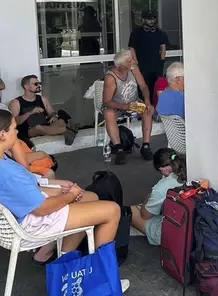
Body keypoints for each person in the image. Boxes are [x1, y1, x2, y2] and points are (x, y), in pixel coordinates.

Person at [0, 110, 129, 291]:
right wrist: (67, 195)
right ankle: (103, 280)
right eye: (13, 129)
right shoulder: (6, 171)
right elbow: (41, 208)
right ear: (2, 134)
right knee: (112, 210)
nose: (17, 132)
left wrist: (58, 186)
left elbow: (28, 183)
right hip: (33, 222)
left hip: (25, 213)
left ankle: (66, 265)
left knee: (89, 197)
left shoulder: (3, 160)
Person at [103, 50, 155, 165]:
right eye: (129, 60)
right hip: (117, 105)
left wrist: (147, 101)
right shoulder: (111, 77)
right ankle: (118, 149)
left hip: (134, 103)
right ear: (121, 66)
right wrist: (125, 106)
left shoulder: (133, 68)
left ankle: (146, 146)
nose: (133, 62)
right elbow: (106, 101)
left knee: (147, 110)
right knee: (108, 113)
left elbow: (143, 86)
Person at [130, 148, 185, 246]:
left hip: (171, 234)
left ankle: (150, 232)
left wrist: (149, 195)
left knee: (132, 211)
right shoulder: (187, 170)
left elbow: (145, 215)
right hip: (188, 227)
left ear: (162, 169)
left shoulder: (160, 188)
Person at [8, 75, 77, 145]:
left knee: (59, 120)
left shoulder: (43, 99)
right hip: (28, 129)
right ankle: (67, 129)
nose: (38, 85)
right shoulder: (16, 102)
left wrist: (54, 116)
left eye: (39, 83)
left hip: (46, 125)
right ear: (26, 86)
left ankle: (66, 129)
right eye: (36, 84)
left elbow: (52, 112)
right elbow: (14, 122)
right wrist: (30, 113)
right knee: (39, 128)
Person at [128, 10, 168, 102]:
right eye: (149, 19)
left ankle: (155, 109)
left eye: (153, 19)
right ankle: (144, 109)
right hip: (142, 65)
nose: (152, 21)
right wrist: (135, 62)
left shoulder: (159, 32)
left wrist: (161, 61)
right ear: (143, 20)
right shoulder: (137, 32)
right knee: (143, 88)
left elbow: (163, 47)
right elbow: (132, 48)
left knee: (156, 88)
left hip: (156, 66)